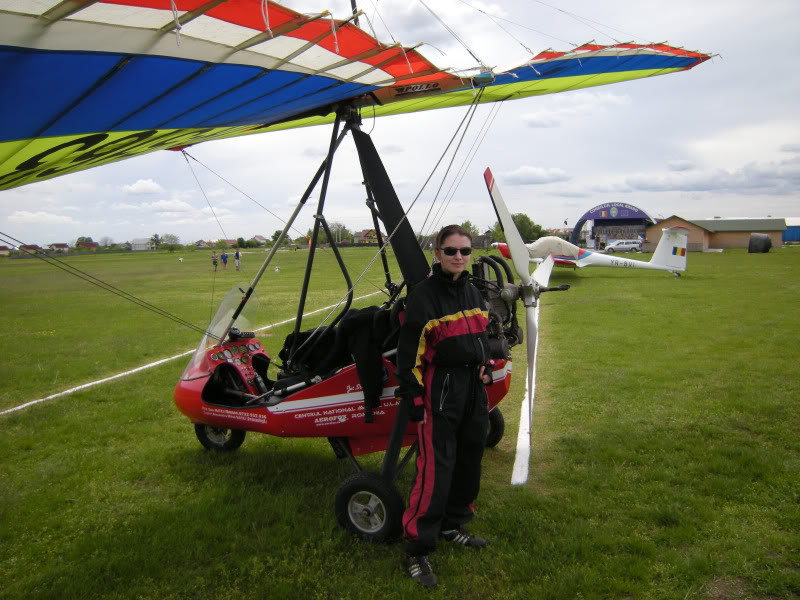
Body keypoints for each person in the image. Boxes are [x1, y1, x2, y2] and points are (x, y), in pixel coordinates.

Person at [394, 224, 494, 589]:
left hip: (472, 389)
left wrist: (486, 365)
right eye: (451, 250)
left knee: (470, 459)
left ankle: (453, 524)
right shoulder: (424, 296)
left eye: (465, 251)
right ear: (437, 253)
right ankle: (417, 547)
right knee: (436, 469)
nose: (458, 257)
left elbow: (481, 337)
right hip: (441, 390)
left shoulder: (471, 291)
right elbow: (409, 357)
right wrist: (416, 400)